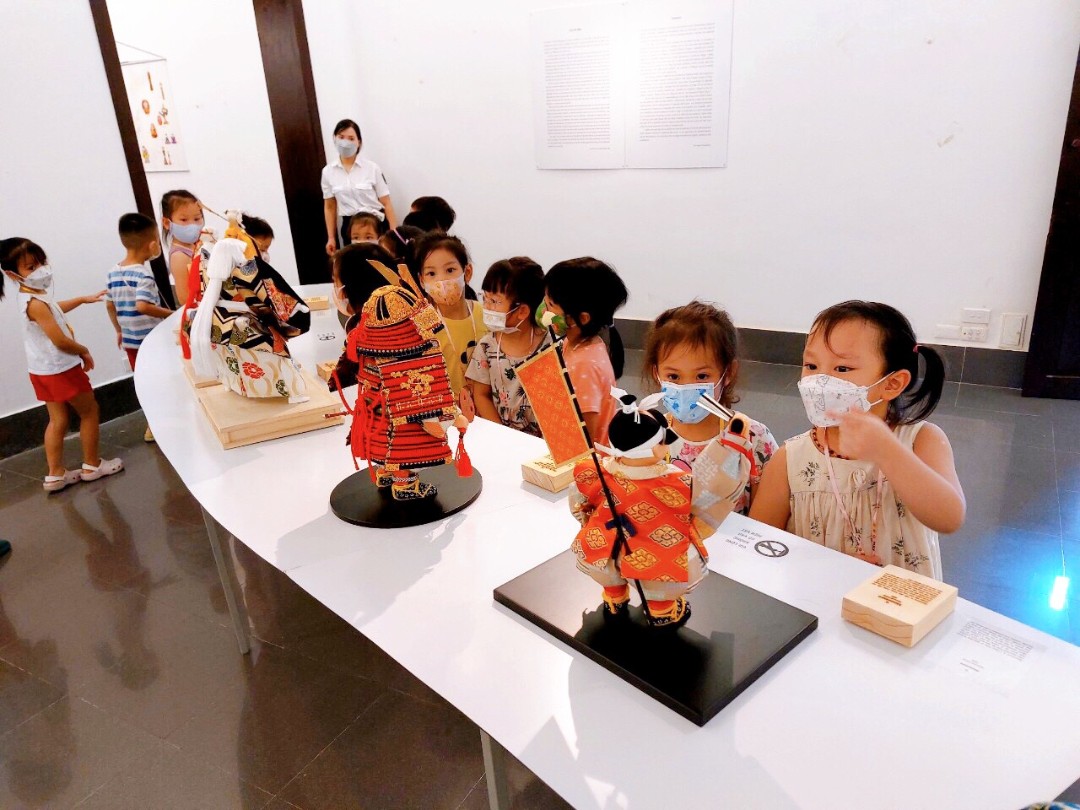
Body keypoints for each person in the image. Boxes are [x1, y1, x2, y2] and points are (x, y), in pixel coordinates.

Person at [750, 301, 965, 578]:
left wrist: (887, 451)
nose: (820, 381)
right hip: (820, 594)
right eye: (811, 365)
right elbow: (758, 545)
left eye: (842, 369)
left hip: (900, 599)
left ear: (892, 384)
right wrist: (828, 566)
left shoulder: (921, 440)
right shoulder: (790, 459)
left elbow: (949, 518)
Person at [569, 390, 710, 628]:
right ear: (655, 448)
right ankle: (661, 611)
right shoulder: (677, 481)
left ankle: (614, 598)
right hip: (654, 549)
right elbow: (699, 508)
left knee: (609, 575)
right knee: (657, 586)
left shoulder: (594, 471)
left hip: (604, 543)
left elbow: (578, 500)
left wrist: (584, 519)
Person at [1, 237, 123, 491]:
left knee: (57, 420)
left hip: (41, 371)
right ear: (12, 274)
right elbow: (59, 340)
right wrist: (84, 351)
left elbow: (54, 310)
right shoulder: (35, 303)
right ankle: (92, 465)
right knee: (89, 411)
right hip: (61, 369)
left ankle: (55, 474)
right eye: (31, 267)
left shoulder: (30, 298)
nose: (41, 270)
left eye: (40, 262)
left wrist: (82, 299)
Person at [643, 301, 777, 514]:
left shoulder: (754, 438)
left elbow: (767, 515)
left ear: (728, 372)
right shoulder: (647, 437)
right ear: (656, 373)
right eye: (673, 376)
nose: (686, 387)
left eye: (702, 376)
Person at [541, 257, 628, 446]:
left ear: (582, 318)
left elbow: (583, 436)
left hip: (585, 458)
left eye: (551, 305)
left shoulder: (584, 364)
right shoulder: (576, 343)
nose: (544, 311)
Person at [104, 214, 173, 442]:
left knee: (144, 382)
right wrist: (172, 314)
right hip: (150, 341)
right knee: (160, 381)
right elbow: (142, 306)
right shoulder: (143, 274)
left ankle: (152, 425)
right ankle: (162, 424)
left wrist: (118, 330)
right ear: (152, 245)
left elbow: (109, 305)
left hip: (130, 341)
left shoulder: (113, 271)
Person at [465, 257, 552, 436]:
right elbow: (481, 395)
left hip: (541, 441)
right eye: (485, 298)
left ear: (522, 311)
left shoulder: (549, 346)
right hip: (501, 436)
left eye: (495, 301)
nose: (486, 307)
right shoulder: (487, 346)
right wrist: (502, 435)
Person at [412, 233, 488, 402]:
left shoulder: (485, 314)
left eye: (450, 270)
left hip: (489, 409)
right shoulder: (420, 326)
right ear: (421, 281)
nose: (442, 280)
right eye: (431, 273)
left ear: (467, 272)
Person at [321, 118, 397, 255]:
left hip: (374, 223)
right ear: (334, 138)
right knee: (353, 263)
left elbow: (386, 202)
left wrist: (394, 233)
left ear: (359, 142)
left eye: (351, 138)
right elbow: (330, 206)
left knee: (380, 261)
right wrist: (331, 237)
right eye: (341, 137)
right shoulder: (328, 172)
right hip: (350, 226)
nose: (345, 142)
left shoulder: (372, 168)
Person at [160, 189, 205, 305]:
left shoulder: (197, 245)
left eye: (197, 219)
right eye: (184, 220)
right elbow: (185, 299)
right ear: (167, 223)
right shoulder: (179, 256)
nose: (193, 225)